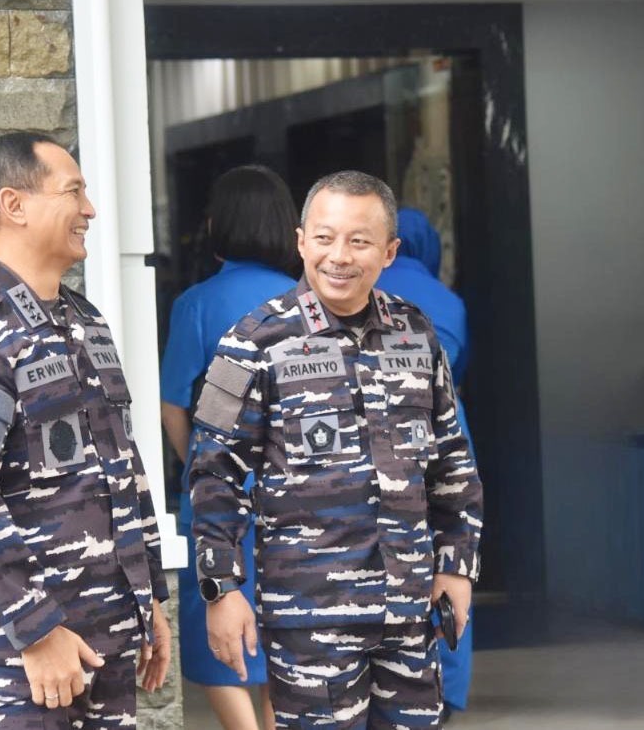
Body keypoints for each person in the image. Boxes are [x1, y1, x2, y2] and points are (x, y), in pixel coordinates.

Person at [190, 170, 483, 729]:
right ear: (301, 242)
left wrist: (457, 566)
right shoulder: (251, 342)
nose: (339, 256)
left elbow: (452, 463)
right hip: (310, 622)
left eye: (359, 240)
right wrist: (221, 589)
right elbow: (213, 474)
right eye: (324, 238)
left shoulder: (415, 335)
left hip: (408, 613)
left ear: (389, 251)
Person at [0, 132, 171, 730]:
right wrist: (37, 631)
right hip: (23, 652)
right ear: (14, 205)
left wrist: (150, 598)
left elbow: (124, 465)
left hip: (110, 628)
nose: (90, 210)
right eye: (73, 192)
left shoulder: (87, 323)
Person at [159, 165, 300, 730]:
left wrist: (199, 467)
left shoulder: (197, 303)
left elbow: (173, 405)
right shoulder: (308, 301)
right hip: (296, 496)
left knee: (214, 637)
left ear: (219, 225)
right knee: (285, 633)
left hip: (220, 502)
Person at [376, 207, 476, 718]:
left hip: (377, 439)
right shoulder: (449, 302)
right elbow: (457, 370)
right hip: (442, 430)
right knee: (449, 561)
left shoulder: (364, 292)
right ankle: (447, 688)